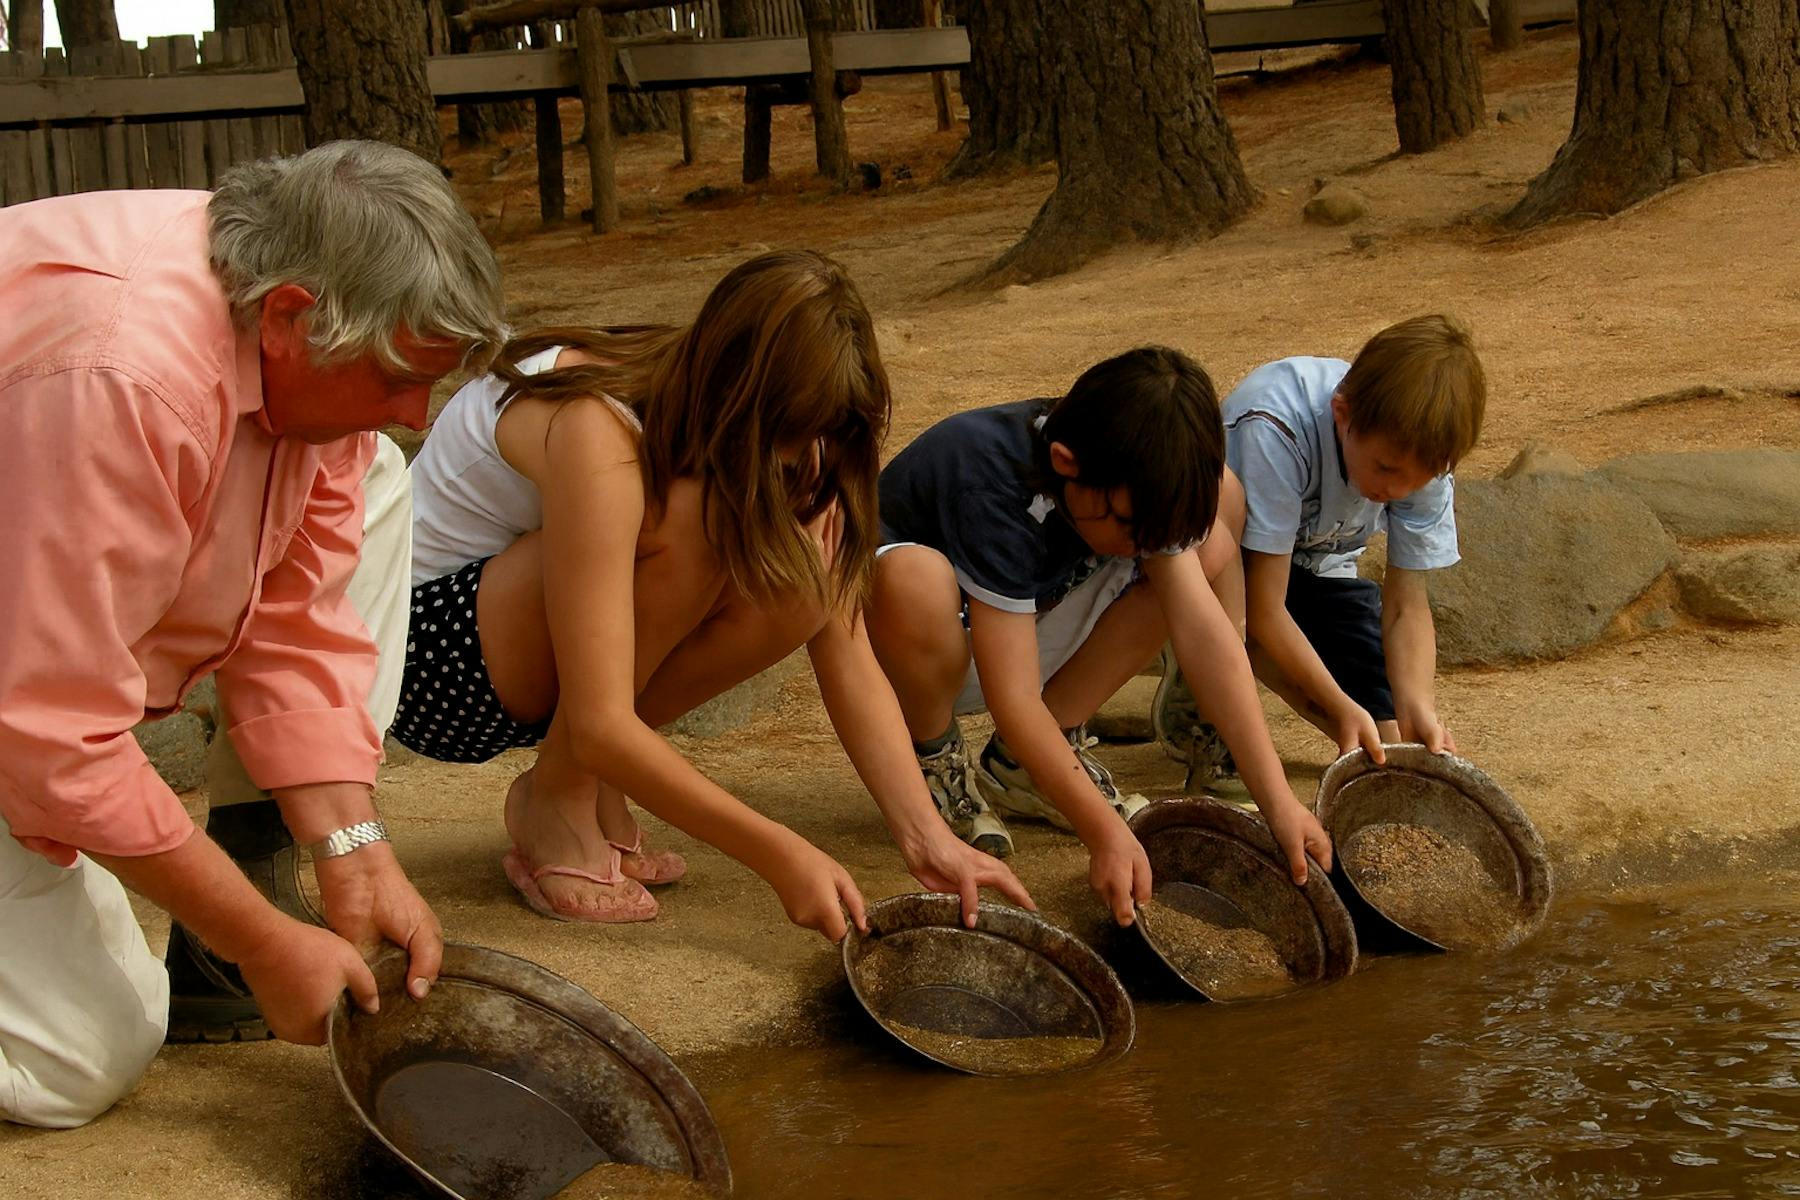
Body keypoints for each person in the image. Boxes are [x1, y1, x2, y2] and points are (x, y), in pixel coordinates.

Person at [0, 140, 508, 1127]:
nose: (415, 414)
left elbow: (296, 614)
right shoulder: (121, 376)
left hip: (26, 649)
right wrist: (260, 942)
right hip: (24, 687)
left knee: (374, 474)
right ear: (286, 317)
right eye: (397, 376)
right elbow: (51, 732)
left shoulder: (305, 308)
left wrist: (356, 850)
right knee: (78, 1061)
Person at [392, 250, 1031, 936]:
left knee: (806, 572)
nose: (797, 455)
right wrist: (779, 853)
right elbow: (600, 719)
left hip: (534, 652)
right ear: (739, 390)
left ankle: (582, 778)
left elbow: (843, 640)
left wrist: (926, 837)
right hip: (429, 661)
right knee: (697, 519)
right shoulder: (595, 425)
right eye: (787, 437)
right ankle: (558, 798)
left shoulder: (775, 431)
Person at [866, 346, 1333, 927]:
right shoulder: (989, 478)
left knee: (1206, 540)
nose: (1143, 546)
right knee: (910, 579)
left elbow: (1208, 638)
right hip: (924, 651)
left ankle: (1030, 764)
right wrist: (1106, 833)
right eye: (1131, 527)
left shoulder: (1132, 474)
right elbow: (1013, 698)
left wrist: (1279, 802)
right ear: (1065, 462)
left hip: (1026, 619)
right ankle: (935, 756)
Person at [1155, 314, 1485, 770]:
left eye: (1417, 480)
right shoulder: (1275, 429)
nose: (1397, 490)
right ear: (1342, 414)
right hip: (1227, 564)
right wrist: (1338, 705)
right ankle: (1199, 682)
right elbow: (1266, 610)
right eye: (1385, 470)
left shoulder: (1420, 455)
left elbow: (1406, 607)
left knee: (1390, 737)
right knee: (1249, 637)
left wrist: (1417, 706)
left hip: (1316, 567)